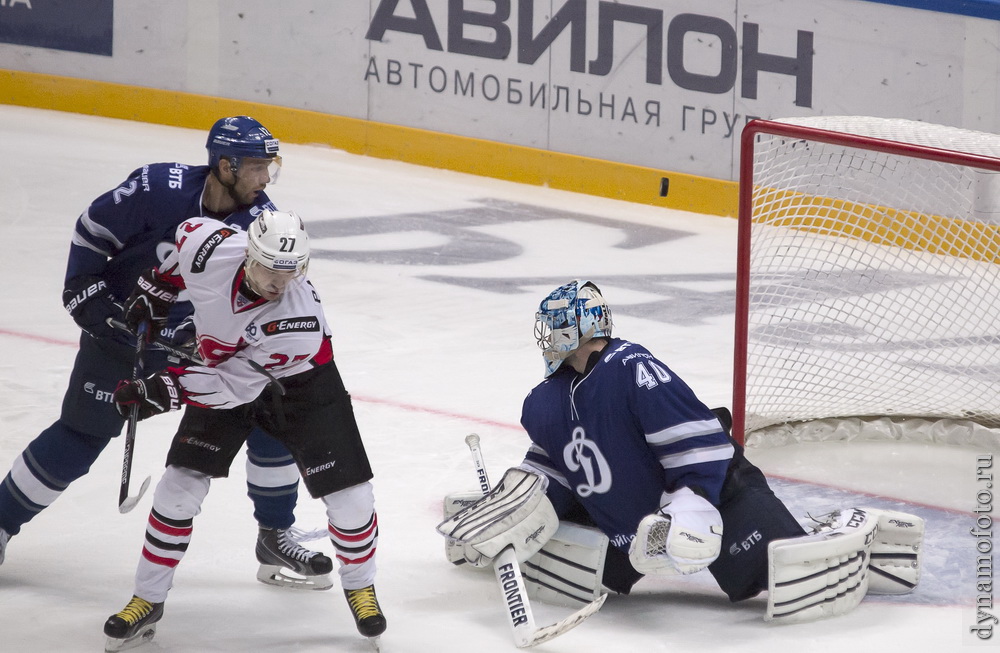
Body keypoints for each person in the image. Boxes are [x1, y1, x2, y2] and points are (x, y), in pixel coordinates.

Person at [439, 279, 925, 623]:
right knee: (578, 567)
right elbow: (556, 466)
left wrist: (692, 502)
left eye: (553, 327)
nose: (546, 340)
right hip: (628, 523)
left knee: (786, 575)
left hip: (717, 495)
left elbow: (697, 440)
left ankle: (862, 542)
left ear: (578, 328)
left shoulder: (631, 367)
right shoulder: (543, 400)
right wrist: (520, 504)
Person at [0, 116, 333, 589]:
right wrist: (86, 293)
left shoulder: (260, 224)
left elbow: (271, 298)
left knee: (269, 413)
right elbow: (92, 230)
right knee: (81, 435)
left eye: (268, 168)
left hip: (198, 348)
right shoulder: (158, 188)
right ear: (224, 165)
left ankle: (274, 533)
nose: (264, 180)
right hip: (121, 331)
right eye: (257, 167)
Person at [102, 210, 385, 650]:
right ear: (248, 254)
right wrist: (159, 286)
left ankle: (361, 587)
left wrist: (166, 388)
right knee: (178, 488)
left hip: (302, 383)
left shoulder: (297, 323)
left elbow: (233, 390)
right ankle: (147, 598)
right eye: (271, 269)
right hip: (226, 368)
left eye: (291, 272)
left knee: (352, 498)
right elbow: (183, 243)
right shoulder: (209, 244)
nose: (280, 282)